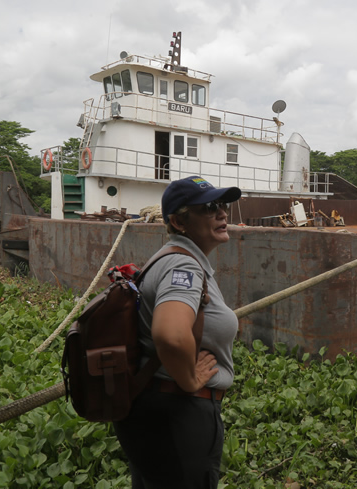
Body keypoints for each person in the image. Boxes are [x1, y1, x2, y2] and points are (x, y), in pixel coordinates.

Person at [114, 175, 241, 489]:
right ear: (178, 222)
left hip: (153, 410)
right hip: (177, 415)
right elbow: (170, 334)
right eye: (209, 207)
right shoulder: (183, 267)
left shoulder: (169, 259)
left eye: (223, 205)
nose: (222, 213)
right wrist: (188, 380)